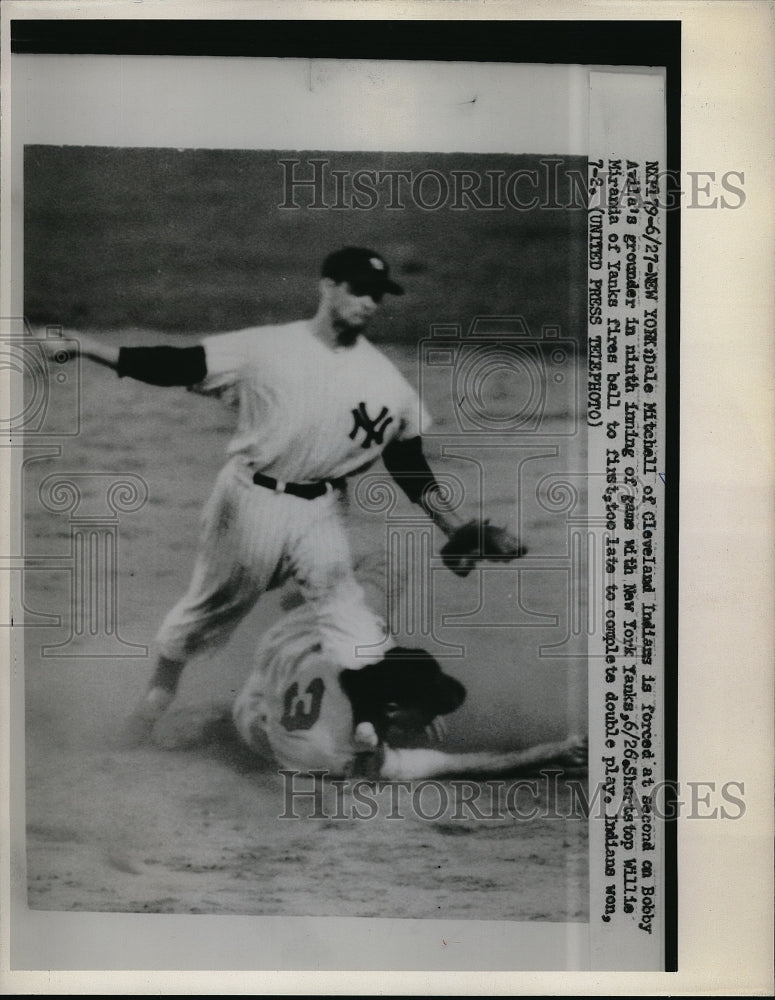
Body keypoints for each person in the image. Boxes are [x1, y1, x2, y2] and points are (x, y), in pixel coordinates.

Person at [48, 247, 496, 742]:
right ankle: (157, 697)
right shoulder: (265, 347)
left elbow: (408, 463)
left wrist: (454, 526)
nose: (369, 302)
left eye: (378, 295)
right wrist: (90, 348)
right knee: (208, 611)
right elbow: (180, 364)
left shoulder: (387, 383)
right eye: (359, 290)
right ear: (328, 286)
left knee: (346, 613)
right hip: (248, 504)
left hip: (322, 511)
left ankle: (368, 728)